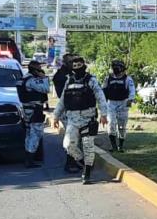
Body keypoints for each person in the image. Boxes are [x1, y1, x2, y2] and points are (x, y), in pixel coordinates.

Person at [52, 56, 108, 184]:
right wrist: (56, 116)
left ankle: (87, 173)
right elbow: (62, 100)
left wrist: (104, 114)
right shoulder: (69, 81)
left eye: (79, 65)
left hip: (88, 118)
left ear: (84, 65)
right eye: (74, 66)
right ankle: (84, 162)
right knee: (68, 145)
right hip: (72, 119)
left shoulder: (91, 80)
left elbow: (100, 97)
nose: (77, 68)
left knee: (88, 145)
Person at [16, 59, 50, 168]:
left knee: (29, 134)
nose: (41, 70)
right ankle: (30, 160)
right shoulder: (31, 80)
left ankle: (28, 158)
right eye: (39, 69)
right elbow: (46, 89)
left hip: (27, 110)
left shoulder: (23, 79)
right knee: (35, 135)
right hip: (34, 110)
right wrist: (44, 78)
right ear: (35, 70)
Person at [103, 59, 136, 152]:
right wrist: (103, 103)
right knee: (111, 123)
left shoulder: (127, 79)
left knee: (122, 126)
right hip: (111, 103)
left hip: (123, 103)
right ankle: (113, 146)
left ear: (122, 68)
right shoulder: (108, 78)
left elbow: (132, 90)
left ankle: (120, 146)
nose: (115, 69)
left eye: (117, 67)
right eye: (114, 67)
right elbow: (103, 90)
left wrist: (130, 99)